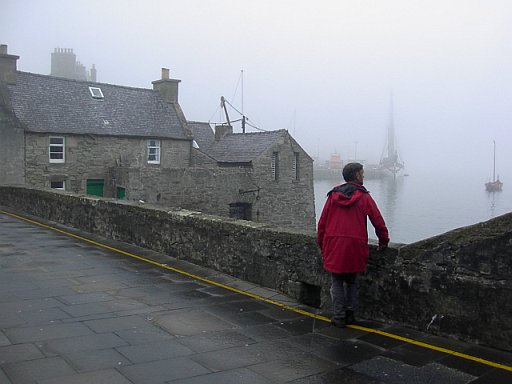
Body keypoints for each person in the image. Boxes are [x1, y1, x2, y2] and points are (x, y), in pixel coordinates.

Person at [317, 162, 389, 328]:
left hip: (334, 244)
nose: (363, 176)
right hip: (355, 245)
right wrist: (383, 241)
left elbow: (322, 224)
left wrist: (322, 244)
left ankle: (338, 316)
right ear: (356, 175)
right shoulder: (364, 197)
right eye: (362, 173)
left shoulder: (332, 196)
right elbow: (378, 222)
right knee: (351, 282)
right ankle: (350, 314)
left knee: (336, 282)